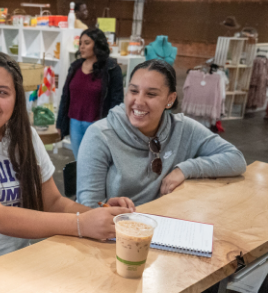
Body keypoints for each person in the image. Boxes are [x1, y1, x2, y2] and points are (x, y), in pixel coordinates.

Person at [0, 51, 134, 283]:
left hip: (17, 268)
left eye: (1, 92)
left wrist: (101, 218)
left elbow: (53, 202)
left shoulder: (24, 136)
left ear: (16, 98)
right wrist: (81, 224)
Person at [76, 59, 247, 207]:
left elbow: (236, 159)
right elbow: (89, 207)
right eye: (133, 91)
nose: (138, 101)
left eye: (151, 94)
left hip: (166, 224)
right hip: (119, 232)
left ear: (170, 100)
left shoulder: (183, 128)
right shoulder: (100, 135)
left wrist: (184, 169)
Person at [57, 28, 124, 158]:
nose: (81, 47)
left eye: (86, 43)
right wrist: (60, 123)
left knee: (95, 164)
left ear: (97, 45)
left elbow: (117, 101)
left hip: (98, 125)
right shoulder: (75, 66)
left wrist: (113, 128)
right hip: (74, 123)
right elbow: (65, 97)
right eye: (80, 43)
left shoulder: (112, 69)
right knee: (79, 162)